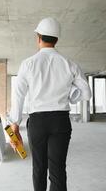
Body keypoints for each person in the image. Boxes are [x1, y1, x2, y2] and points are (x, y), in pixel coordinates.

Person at [7, 17, 91, 191]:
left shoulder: (28, 64)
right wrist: (70, 96)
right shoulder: (69, 64)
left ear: (38, 38)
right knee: (58, 170)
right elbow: (86, 92)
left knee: (39, 168)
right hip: (60, 121)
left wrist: (15, 125)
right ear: (57, 40)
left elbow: (18, 96)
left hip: (37, 122)